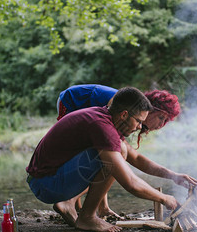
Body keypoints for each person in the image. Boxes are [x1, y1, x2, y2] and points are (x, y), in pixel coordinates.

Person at [26, 87, 197, 232]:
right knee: (117, 155)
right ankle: (87, 217)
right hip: (47, 186)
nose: (140, 127)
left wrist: (174, 176)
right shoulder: (102, 127)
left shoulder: (105, 117)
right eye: (139, 121)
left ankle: (81, 210)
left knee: (120, 151)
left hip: (46, 180)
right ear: (124, 114)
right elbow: (130, 182)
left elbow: (137, 158)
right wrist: (166, 199)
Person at [56, 84, 182, 217]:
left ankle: (98, 208)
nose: (161, 124)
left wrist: (173, 175)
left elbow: (135, 158)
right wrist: (164, 197)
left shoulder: (129, 113)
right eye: (161, 117)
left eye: (166, 121)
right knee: (112, 156)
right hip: (72, 102)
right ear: (150, 109)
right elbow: (128, 161)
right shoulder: (124, 110)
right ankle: (68, 201)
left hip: (87, 110)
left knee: (111, 156)